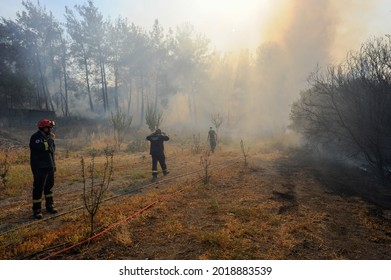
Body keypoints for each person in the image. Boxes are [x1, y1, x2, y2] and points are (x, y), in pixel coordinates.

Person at [29, 118, 58, 219]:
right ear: (43, 127)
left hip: (49, 165)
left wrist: (54, 164)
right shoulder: (35, 137)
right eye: (49, 128)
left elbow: (52, 150)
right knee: (38, 188)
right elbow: (43, 148)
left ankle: (49, 206)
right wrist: (51, 140)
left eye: (51, 128)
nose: (50, 129)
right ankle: (37, 210)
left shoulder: (48, 137)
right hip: (39, 167)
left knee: (49, 186)